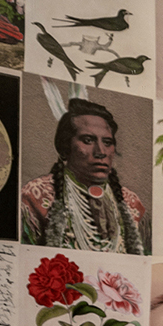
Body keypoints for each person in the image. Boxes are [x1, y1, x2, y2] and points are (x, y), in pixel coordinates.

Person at [21, 98, 147, 252]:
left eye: (107, 142)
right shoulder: (36, 196)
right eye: (88, 140)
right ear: (65, 148)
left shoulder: (131, 203)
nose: (101, 152)